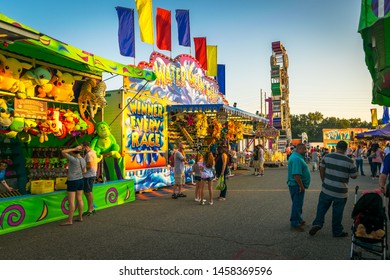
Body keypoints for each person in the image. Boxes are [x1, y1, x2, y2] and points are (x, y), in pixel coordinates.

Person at [309, 140, 357, 237]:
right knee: (338, 212)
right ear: (345, 149)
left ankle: (317, 223)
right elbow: (354, 176)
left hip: (326, 188)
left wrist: (324, 181)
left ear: (336, 147)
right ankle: (337, 231)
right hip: (341, 192)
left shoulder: (327, 157)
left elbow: (321, 169)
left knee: (321, 208)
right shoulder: (349, 161)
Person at [287, 143, 311, 232]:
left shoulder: (296, 156)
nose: (306, 151)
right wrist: (301, 186)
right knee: (297, 204)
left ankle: (298, 219)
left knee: (298, 204)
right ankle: (295, 223)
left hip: (296, 185)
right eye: (305, 149)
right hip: (296, 185)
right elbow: (296, 174)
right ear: (300, 149)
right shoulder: (296, 158)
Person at [61, 146, 86, 226]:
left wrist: (74, 148)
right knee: (80, 199)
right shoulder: (83, 159)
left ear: (73, 152)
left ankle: (69, 220)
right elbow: (84, 171)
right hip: (81, 180)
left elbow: (63, 151)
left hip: (72, 181)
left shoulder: (73, 159)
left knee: (71, 201)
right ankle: (80, 217)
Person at [81, 141, 98, 216]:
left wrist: (80, 168)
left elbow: (90, 165)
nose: (82, 149)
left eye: (83, 147)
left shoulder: (89, 154)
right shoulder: (92, 152)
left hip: (89, 175)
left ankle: (90, 209)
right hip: (89, 175)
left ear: (86, 147)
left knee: (88, 192)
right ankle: (91, 208)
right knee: (87, 192)